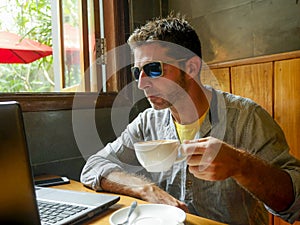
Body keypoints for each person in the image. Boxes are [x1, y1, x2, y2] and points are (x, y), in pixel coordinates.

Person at [80, 14, 300, 224]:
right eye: (137, 72)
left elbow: (295, 203)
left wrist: (241, 165)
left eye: (154, 69)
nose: (141, 83)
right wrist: (145, 189)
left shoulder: (246, 118)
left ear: (191, 68)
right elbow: (93, 166)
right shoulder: (147, 122)